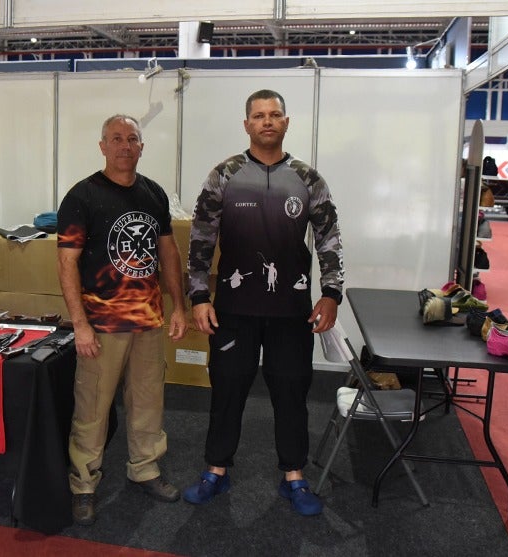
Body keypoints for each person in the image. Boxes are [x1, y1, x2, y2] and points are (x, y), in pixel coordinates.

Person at [182, 89, 344, 516]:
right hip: (233, 311)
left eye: (274, 115)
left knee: (291, 393)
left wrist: (331, 293)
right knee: (227, 390)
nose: (267, 121)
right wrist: (198, 296)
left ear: (286, 122)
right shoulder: (224, 175)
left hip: (291, 312)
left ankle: (294, 475)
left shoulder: (308, 179)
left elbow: (329, 239)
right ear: (247, 124)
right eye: (258, 115)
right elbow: (201, 238)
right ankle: (216, 470)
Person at [57, 114, 188, 526]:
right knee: (92, 408)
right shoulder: (82, 196)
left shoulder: (153, 194)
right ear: (102, 146)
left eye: (132, 138)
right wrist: (80, 324)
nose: (124, 146)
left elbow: (168, 252)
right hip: (101, 325)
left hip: (148, 321)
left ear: (141, 147)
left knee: (148, 402)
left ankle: (145, 468)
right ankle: (83, 484)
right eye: (116, 138)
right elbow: (67, 263)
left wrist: (179, 306)